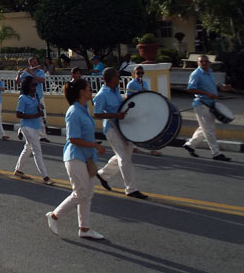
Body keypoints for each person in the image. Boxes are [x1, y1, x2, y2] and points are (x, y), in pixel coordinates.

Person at [45, 78, 107, 240]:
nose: (90, 92)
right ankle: (54, 216)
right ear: (82, 92)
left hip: (87, 158)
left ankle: (85, 229)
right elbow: (73, 138)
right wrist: (95, 146)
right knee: (81, 193)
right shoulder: (73, 111)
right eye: (88, 89)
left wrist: (93, 147)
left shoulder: (84, 108)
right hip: (75, 157)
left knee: (88, 194)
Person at [93, 68, 148, 199]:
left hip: (123, 127)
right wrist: (116, 115)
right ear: (111, 79)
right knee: (124, 157)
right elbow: (97, 114)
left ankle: (103, 174)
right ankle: (131, 189)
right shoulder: (102, 95)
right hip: (112, 129)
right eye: (117, 77)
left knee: (124, 154)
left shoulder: (116, 90)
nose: (119, 79)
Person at [183, 55, 233, 161]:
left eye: (206, 61)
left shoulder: (209, 71)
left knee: (204, 128)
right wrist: (207, 94)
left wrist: (222, 88)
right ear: (198, 63)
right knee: (209, 129)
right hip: (202, 104)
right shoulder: (196, 74)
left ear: (209, 63)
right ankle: (216, 153)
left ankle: (190, 145)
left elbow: (211, 85)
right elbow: (190, 89)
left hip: (210, 104)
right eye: (202, 61)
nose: (204, 63)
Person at [14, 76, 53, 185]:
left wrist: (39, 108)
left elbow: (37, 109)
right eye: (33, 85)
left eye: (36, 85)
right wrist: (36, 114)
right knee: (37, 151)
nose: (35, 87)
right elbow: (19, 114)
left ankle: (18, 170)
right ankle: (45, 176)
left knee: (28, 148)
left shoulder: (35, 96)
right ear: (27, 86)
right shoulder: (23, 98)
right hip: (27, 127)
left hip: (35, 126)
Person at [126, 66, 163, 156]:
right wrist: (138, 93)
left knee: (148, 129)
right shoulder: (131, 84)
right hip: (136, 110)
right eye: (138, 73)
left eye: (142, 73)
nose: (140, 75)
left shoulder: (145, 83)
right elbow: (128, 98)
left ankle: (151, 149)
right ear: (134, 74)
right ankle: (137, 147)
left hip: (144, 108)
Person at [17, 58, 49, 143]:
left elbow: (42, 80)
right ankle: (21, 129)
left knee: (41, 115)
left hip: (39, 96)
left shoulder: (40, 71)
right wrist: (19, 74)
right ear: (30, 63)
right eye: (34, 62)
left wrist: (32, 74)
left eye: (37, 62)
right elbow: (18, 82)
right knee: (26, 113)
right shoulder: (26, 72)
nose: (36, 63)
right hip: (28, 96)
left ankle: (42, 136)